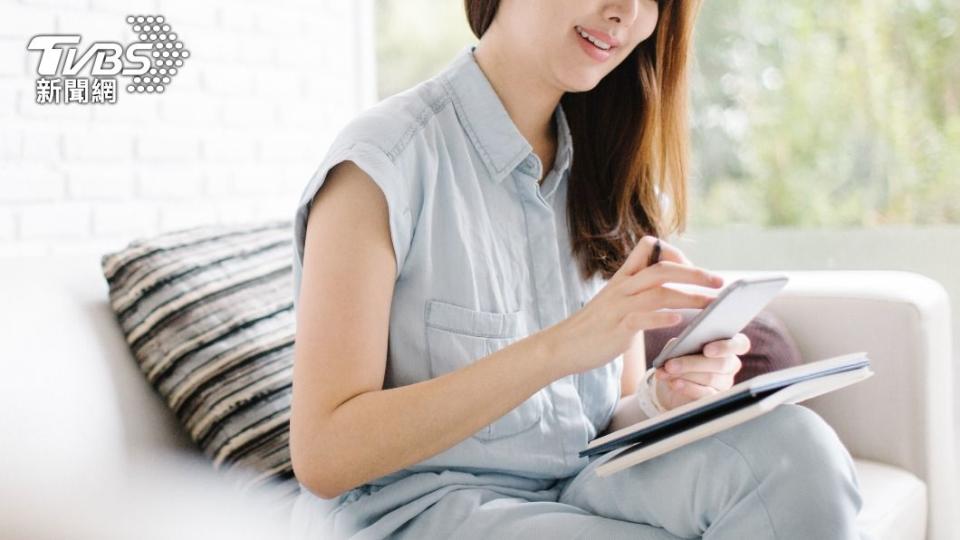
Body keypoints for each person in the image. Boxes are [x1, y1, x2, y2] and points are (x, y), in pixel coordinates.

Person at [287, 1, 868, 538]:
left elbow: (607, 419)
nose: (628, 13)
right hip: (425, 508)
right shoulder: (381, 162)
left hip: (582, 485)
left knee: (799, 450)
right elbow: (324, 453)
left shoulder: (603, 170)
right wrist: (564, 346)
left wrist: (663, 400)